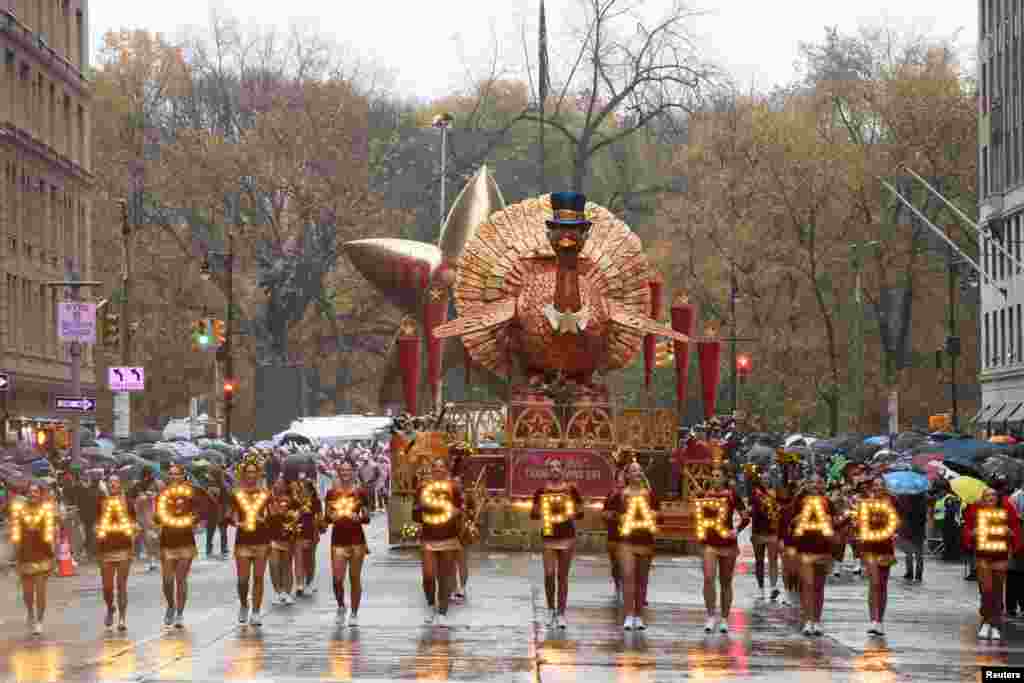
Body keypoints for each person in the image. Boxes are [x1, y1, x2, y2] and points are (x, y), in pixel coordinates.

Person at [530, 458, 584, 629]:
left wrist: (572, 513)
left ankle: (561, 613)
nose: (554, 470)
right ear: (547, 471)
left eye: (557, 467)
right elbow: (533, 513)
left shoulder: (571, 489)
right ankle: (550, 609)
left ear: (563, 470)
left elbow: (581, 510)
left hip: (567, 535)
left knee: (562, 576)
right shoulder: (541, 490)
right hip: (548, 535)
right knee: (549, 574)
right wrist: (539, 510)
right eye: (551, 467)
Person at [606, 460, 660, 631]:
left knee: (642, 579)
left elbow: (660, 515)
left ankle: (639, 616)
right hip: (626, 541)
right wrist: (618, 517)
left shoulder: (650, 494)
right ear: (627, 475)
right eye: (633, 471)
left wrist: (652, 515)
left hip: (645, 539)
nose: (637, 473)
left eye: (639, 470)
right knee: (628, 577)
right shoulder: (619, 495)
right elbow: (606, 513)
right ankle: (629, 615)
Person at [963, 486, 1022, 640]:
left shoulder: (1006, 510)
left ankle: (995, 623)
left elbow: (1015, 527)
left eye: (993, 495)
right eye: (987, 495)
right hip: (983, 556)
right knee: (986, 590)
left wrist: (1011, 534)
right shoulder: (975, 511)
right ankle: (987, 621)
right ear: (982, 498)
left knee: (997, 591)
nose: (990, 498)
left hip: (1000, 555)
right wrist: (971, 533)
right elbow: (967, 529)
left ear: (997, 498)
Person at [155, 464, 210, 628]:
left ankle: (179, 612)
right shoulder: (162, 494)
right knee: (167, 580)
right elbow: (156, 516)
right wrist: (157, 518)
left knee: (181, 579)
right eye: (170, 474)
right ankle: (170, 605)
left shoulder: (191, 492)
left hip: (185, 540)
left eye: (176, 474)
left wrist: (196, 519)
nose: (173, 477)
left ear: (182, 476)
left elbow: (203, 508)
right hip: (167, 540)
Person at [413, 457, 464, 627]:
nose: (439, 470)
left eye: (442, 467)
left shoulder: (454, 488)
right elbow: (415, 513)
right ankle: (430, 606)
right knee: (428, 576)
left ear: (446, 470)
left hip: (448, 537)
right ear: (432, 470)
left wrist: (455, 512)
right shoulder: (422, 487)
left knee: (445, 577)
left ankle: (442, 612)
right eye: (436, 467)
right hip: (428, 537)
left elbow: (461, 508)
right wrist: (422, 508)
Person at [696, 469, 749, 634]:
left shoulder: (732, 495)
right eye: (712, 475)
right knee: (708, 578)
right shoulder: (704, 494)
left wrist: (737, 530)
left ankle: (725, 618)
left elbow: (745, 517)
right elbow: (699, 516)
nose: (714, 477)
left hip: (727, 542)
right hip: (709, 542)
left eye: (718, 475)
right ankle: (710, 615)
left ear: (725, 478)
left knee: (725, 582)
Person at [851, 476, 901, 636]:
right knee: (874, 583)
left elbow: (898, 520)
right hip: (869, 546)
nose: (878, 488)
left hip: (885, 546)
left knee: (883, 585)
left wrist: (895, 531)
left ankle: (880, 621)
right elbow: (858, 521)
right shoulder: (865, 503)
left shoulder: (892, 501)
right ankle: (873, 620)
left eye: (881, 485)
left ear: (885, 487)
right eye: (876, 485)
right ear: (872, 487)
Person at [790, 475, 839, 637]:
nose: (815, 485)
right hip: (804, 548)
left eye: (819, 482)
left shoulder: (828, 502)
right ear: (807, 484)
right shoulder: (799, 501)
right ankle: (808, 620)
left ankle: (817, 621)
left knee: (819, 587)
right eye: (812, 482)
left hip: (823, 548)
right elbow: (788, 522)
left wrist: (833, 522)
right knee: (807, 586)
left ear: (823, 485)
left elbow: (836, 524)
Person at [325, 461, 371, 626]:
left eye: (348, 470)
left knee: (354, 578)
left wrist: (359, 518)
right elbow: (326, 517)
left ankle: (354, 613)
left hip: (356, 540)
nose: (345, 473)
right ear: (338, 472)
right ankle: (341, 606)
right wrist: (332, 518)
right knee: (337, 579)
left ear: (353, 472)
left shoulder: (360, 492)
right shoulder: (331, 493)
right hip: (338, 540)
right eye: (342, 470)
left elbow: (367, 517)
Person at [228, 455, 272, 626]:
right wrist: (236, 522)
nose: (251, 475)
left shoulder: (266, 494)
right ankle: (244, 604)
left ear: (259, 474)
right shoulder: (237, 494)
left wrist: (266, 519)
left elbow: (273, 514)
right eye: (248, 472)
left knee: (259, 578)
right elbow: (230, 515)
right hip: (243, 540)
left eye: (254, 472)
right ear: (243, 474)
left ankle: (256, 611)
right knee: (243, 580)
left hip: (261, 540)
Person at [10, 483, 57, 636]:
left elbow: (51, 534)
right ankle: (30, 612)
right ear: (27, 494)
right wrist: (15, 554)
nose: (33, 494)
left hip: (43, 555)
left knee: (41, 592)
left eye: (36, 492)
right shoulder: (19, 510)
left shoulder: (47, 510)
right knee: (27, 593)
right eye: (30, 492)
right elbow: (15, 534)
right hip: (25, 555)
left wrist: (53, 553)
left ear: (40, 494)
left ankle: (39, 621)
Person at [96, 475, 138, 631]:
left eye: (116, 482)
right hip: (106, 549)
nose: (113, 485)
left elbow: (135, 522)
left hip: (124, 548)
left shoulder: (128, 502)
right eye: (110, 483)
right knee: (107, 587)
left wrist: (134, 530)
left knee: (121, 586)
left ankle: (122, 618)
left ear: (121, 485)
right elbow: (97, 522)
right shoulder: (102, 503)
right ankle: (109, 608)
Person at [748, 465, 781, 602]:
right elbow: (750, 510)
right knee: (759, 561)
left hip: (772, 531)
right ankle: (760, 589)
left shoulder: (775, 493)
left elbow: (780, 510)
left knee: (773, 560)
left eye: (768, 478)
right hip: (758, 531)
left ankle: (773, 587)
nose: (766, 480)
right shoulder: (755, 494)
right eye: (764, 479)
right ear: (760, 480)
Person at [267, 475, 299, 606]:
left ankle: (287, 592)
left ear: (286, 486)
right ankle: (278, 591)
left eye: (281, 483)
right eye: (276, 483)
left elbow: (298, 516)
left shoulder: (292, 500)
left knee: (286, 565)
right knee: (274, 565)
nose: (277, 485)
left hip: (287, 537)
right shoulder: (268, 499)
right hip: (272, 536)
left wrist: (290, 520)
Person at [293, 477, 323, 596]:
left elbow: (320, 517)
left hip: (312, 532)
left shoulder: (316, 501)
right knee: (298, 559)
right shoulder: (295, 501)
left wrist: (320, 524)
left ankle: (309, 582)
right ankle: (300, 584)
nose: (301, 491)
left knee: (310, 559)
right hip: (298, 531)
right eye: (300, 488)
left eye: (304, 489)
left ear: (310, 491)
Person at [604, 467, 626, 604]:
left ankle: (627, 589)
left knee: (626, 564)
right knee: (616, 564)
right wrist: (612, 516)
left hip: (628, 535)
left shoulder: (633, 495)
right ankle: (618, 586)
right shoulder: (611, 495)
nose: (620, 481)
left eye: (623, 478)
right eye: (618, 478)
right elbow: (604, 513)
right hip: (613, 534)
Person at [897, 492, 927, 583]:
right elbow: (924, 518)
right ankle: (918, 575)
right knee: (919, 554)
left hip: (908, 530)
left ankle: (909, 573)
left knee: (909, 553)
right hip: (919, 531)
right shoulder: (922, 502)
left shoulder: (906, 501)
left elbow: (901, 513)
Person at [205, 467, 231, 560]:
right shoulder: (223, 486)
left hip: (216, 511)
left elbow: (227, 500)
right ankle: (219, 549)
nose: (208, 476)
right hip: (218, 510)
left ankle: (213, 550)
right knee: (217, 531)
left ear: (214, 475)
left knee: (213, 531)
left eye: (210, 474)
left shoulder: (213, 485)